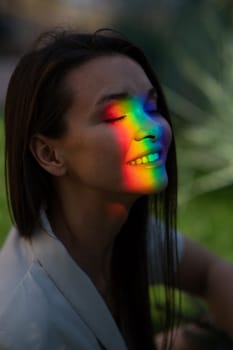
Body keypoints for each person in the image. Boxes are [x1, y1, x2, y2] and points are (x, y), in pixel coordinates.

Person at [0, 28, 233, 350]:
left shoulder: (113, 229)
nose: (151, 127)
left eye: (151, 108)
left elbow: (211, 273)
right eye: (116, 116)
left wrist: (193, 339)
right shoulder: (32, 326)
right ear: (49, 154)